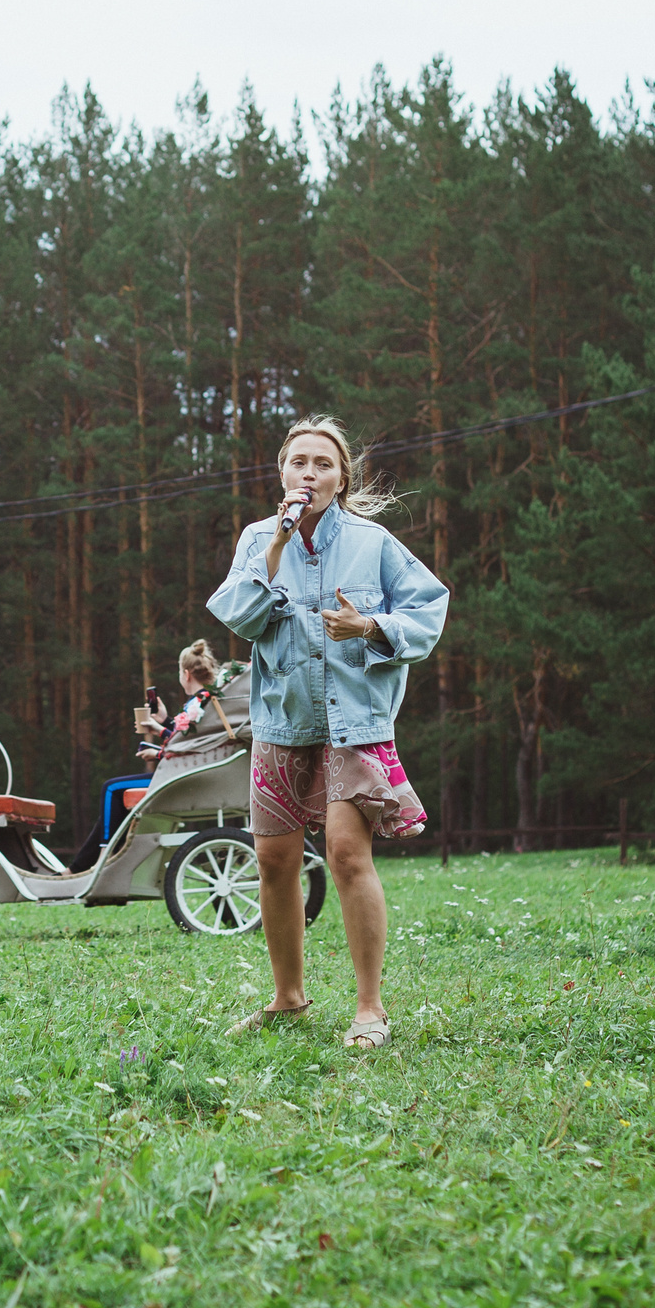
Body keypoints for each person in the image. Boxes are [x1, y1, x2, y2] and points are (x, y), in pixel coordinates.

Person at [208, 415, 448, 1049]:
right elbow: (239, 613)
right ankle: (288, 1000)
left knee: (346, 853)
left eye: (322, 464)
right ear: (281, 473)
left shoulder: (372, 543)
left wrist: (369, 627)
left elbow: (428, 608)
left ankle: (370, 1009)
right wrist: (278, 548)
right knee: (273, 859)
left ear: (342, 479)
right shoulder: (260, 538)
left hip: (354, 720)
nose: (308, 473)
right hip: (283, 720)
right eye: (298, 463)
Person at [67, 640, 251, 872]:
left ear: (185, 674)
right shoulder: (208, 702)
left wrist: (160, 750)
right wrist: (164, 724)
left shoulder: (201, 702)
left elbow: (192, 743)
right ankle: (91, 860)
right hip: (195, 772)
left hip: (184, 776)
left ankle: (102, 855)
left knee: (112, 789)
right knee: (117, 791)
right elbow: (195, 739)